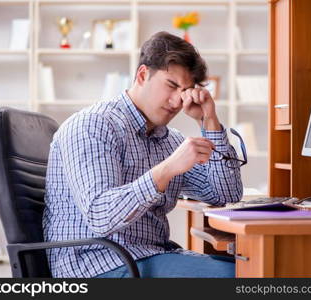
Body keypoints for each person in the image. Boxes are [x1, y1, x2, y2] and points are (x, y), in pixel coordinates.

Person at [43, 31, 243, 278]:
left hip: (148, 256)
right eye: (171, 85)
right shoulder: (93, 125)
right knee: (242, 276)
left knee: (251, 268)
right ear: (142, 75)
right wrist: (166, 169)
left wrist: (209, 121)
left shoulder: (169, 140)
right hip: (97, 264)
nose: (177, 101)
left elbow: (226, 194)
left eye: (185, 90)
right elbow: (100, 215)